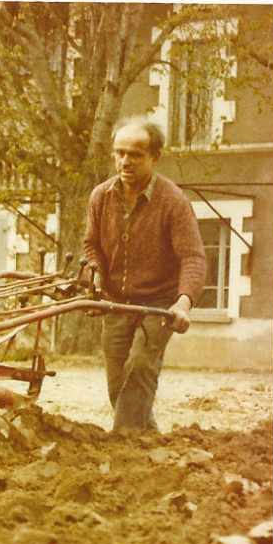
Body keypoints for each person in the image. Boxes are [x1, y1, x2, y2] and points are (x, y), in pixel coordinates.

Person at [81, 118, 207, 431]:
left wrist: (183, 303)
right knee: (118, 385)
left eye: (135, 154)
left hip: (158, 305)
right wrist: (94, 273)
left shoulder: (174, 202)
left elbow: (193, 257)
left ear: (155, 156)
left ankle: (122, 448)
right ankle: (147, 443)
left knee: (139, 370)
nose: (125, 161)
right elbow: (91, 245)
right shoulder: (100, 197)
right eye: (120, 152)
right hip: (116, 303)